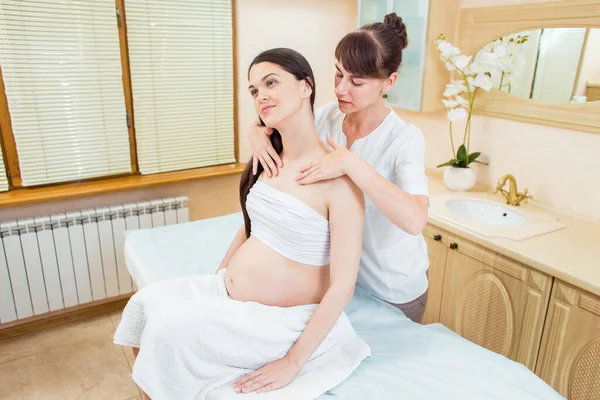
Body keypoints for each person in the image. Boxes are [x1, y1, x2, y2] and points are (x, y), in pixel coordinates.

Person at [114, 48, 370, 400]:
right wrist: (216, 284)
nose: (260, 95)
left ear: (306, 86)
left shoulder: (338, 180)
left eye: (271, 82)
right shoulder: (269, 159)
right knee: (146, 304)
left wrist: (293, 362)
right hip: (230, 296)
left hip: (280, 321)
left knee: (166, 334)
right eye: (253, 90)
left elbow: (342, 286)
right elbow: (253, 227)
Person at [248, 13, 430, 323]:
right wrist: (257, 132)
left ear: (389, 82)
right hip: (340, 281)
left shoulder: (404, 139)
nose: (341, 89)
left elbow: (415, 219)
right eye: (338, 74)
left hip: (391, 289)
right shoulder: (326, 118)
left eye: (356, 82)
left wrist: (352, 164)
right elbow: (281, 119)